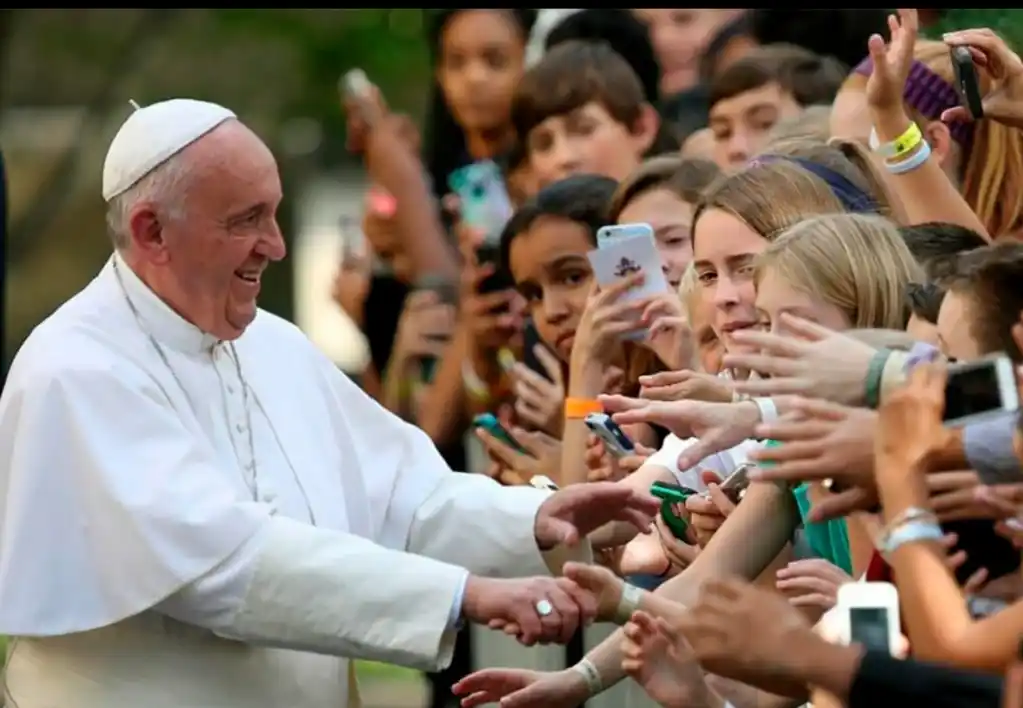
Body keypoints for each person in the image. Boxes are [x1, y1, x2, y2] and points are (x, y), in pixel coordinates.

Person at [0, 99, 662, 708]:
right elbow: (220, 561)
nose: (277, 245)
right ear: (152, 232)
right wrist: (463, 595)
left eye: (274, 212)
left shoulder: (274, 346)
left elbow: (406, 498)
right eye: (246, 220)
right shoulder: (75, 370)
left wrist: (539, 518)